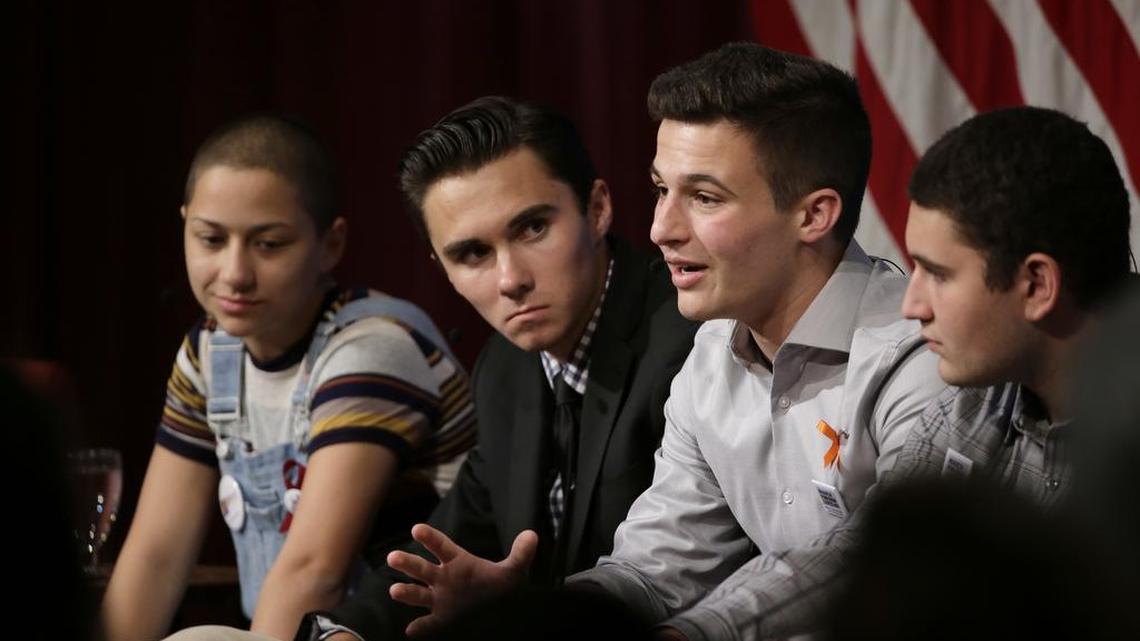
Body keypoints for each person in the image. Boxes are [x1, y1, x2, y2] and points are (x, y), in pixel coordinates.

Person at [387, 44, 946, 641]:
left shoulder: (923, 356)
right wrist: (545, 619)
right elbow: (654, 570)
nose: (661, 229)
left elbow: (877, 560)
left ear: (814, 216)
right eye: (661, 190)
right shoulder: (710, 357)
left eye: (704, 198)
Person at [102, 114, 475, 641]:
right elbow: (157, 552)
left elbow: (314, 571)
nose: (234, 273)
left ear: (330, 244)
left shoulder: (371, 349)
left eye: (268, 244)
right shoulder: (209, 352)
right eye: (210, 239)